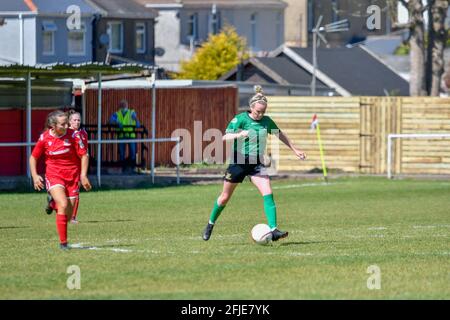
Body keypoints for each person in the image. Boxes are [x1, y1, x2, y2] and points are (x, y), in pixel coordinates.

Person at [202, 85, 306, 242]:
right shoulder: (241, 119)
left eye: (263, 111)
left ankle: (274, 229)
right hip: (239, 163)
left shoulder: (267, 121)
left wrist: (295, 149)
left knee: (268, 192)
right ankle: (210, 224)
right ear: (251, 108)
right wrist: (239, 134)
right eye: (258, 111)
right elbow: (224, 137)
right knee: (224, 198)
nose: (261, 114)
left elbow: (280, 135)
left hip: (256, 163)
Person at [30, 110, 92, 250]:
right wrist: (35, 176)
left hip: (72, 176)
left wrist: (83, 175)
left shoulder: (74, 136)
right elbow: (33, 157)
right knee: (63, 204)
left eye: (66, 123)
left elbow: (84, 156)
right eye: (63, 124)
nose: (66, 126)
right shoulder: (45, 138)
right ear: (53, 126)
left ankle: (52, 204)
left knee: (68, 216)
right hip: (54, 175)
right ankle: (63, 243)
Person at [109, 99, 140, 172]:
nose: (123, 106)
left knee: (132, 152)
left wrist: (137, 121)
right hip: (121, 135)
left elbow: (135, 118)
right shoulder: (117, 114)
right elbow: (110, 120)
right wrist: (116, 122)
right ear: (120, 106)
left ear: (127, 106)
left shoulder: (131, 112)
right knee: (121, 152)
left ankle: (132, 167)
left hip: (131, 135)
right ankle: (123, 167)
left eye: (124, 105)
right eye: (122, 105)